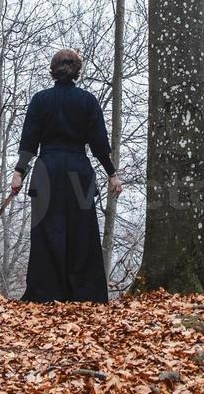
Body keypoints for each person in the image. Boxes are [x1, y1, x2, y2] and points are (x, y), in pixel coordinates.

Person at [8, 48, 121, 303]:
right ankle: (84, 294)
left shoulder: (40, 100)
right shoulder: (87, 101)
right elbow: (99, 143)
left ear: (54, 69)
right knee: (82, 233)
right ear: (77, 70)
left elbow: (30, 140)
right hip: (78, 172)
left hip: (48, 170)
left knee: (48, 232)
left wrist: (19, 173)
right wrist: (112, 174)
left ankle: (47, 293)